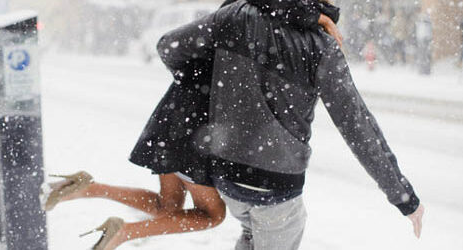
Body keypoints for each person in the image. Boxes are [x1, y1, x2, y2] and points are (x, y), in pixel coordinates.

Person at [40, 1, 343, 250]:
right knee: (211, 215)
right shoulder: (259, 21)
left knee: (167, 205)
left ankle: (87, 188)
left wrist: (192, 79)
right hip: (199, 123)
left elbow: (171, 46)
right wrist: (314, 16)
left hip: (177, 110)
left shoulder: (236, 17)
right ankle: (122, 232)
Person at [156, 0, 424, 249]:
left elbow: (168, 47)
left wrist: (212, 83)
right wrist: (404, 197)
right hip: (276, 186)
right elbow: (357, 126)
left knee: (250, 233)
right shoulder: (321, 46)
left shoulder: (236, 15)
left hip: (228, 176)